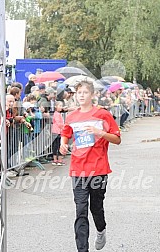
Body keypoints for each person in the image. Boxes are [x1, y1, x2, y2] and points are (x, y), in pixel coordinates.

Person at [60, 80, 121, 252]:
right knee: (80, 210)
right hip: (78, 169)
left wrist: (100, 133)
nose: (81, 96)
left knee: (96, 207)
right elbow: (66, 134)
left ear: (92, 95)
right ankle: (82, 249)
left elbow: (117, 139)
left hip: (98, 169)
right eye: (79, 93)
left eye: (85, 93)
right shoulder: (71, 116)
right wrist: (63, 144)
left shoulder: (102, 114)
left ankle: (101, 230)